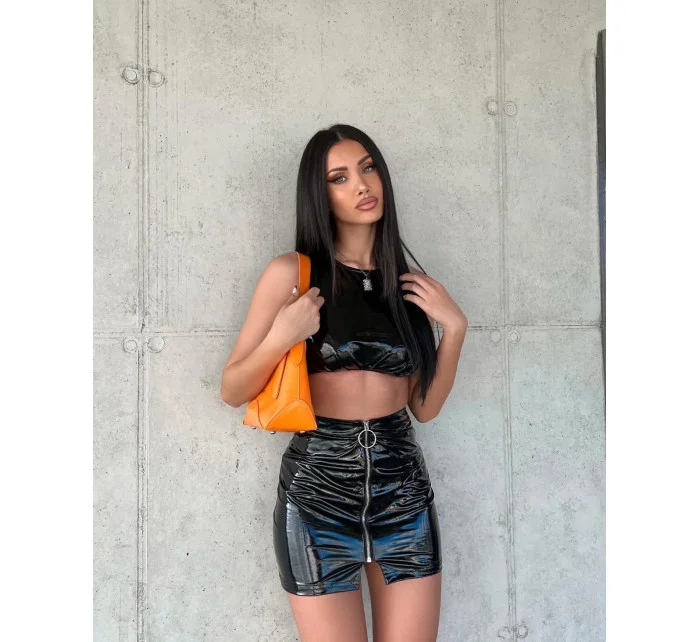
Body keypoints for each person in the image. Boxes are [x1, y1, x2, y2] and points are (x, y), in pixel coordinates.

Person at [220, 124, 468, 642]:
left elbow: (424, 409)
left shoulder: (408, 285)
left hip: (403, 490)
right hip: (318, 492)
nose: (361, 184)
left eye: (368, 168)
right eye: (340, 177)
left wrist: (455, 329)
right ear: (320, 193)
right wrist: (282, 335)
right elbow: (233, 388)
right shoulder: (293, 274)